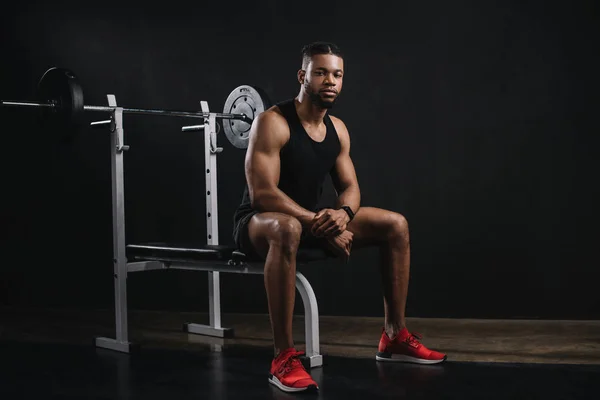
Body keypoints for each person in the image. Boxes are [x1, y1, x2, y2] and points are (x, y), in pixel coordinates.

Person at [232, 41, 446, 394]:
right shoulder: (272, 122)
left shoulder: (338, 130)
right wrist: (320, 224)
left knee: (396, 225)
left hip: (310, 221)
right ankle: (283, 358)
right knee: (286, 228)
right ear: (303, 76)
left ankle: (394, 336)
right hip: (260, 224)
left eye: (337, 74)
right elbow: (263, 194)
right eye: (320, 73)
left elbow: (351, 189)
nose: (330, 81)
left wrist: (343, 215)